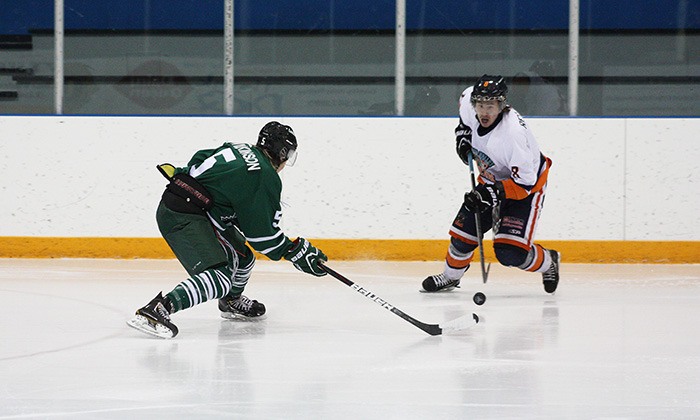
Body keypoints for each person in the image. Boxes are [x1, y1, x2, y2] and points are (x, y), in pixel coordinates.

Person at [128, 121, 328, 338]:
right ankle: (159, 308)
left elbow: (198, 160)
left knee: (243, 258)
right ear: (281, 153)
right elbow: (263, 239)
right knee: (219, 278)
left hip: (193, 206)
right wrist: (295, 251)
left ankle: (231, 301)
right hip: (182, 215)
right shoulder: (264, 176)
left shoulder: (239, 148)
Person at [421, 75, 560, 294]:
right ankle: (450, 277)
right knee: (463, 234)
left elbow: (525, 183)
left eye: (491, 106)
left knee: (510, 254)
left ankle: (549, 261)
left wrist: (493, 193)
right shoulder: (469, 100)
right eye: (480, 105)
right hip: (491, 178)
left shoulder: (512, 134)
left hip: (526, 188)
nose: (484, 111)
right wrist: (463, 139)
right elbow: (464, 123)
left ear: (502, 106)